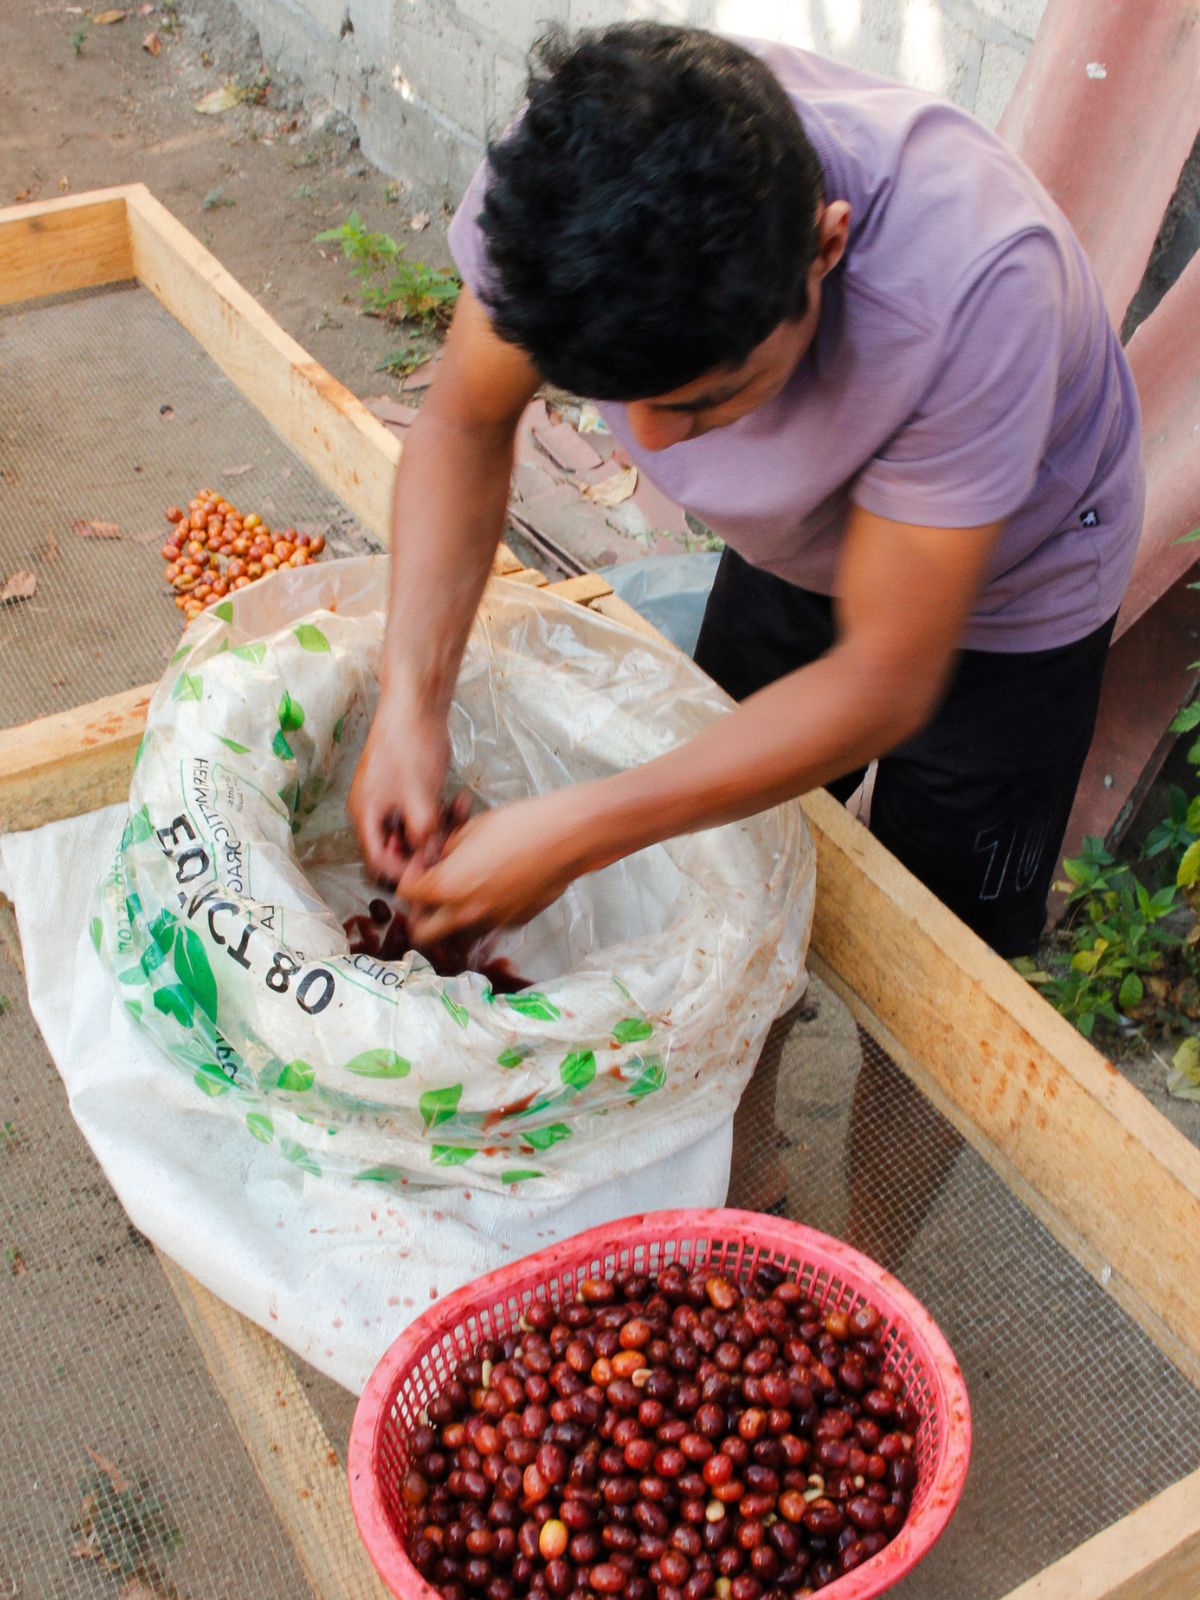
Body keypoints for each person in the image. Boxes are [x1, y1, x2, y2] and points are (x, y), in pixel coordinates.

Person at [347, 21, 1144, 962]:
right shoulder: (568, 189)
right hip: (799, 542)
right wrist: (412, 702)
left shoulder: (975, 286)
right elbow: (464, 424)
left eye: (706, 399)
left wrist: (575, 833)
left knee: (935, 950)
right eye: (617, 396)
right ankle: (741, 1099)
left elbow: (886, 678)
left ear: (827, 249)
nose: (649, 446)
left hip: (1014, 585)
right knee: (718, 874)